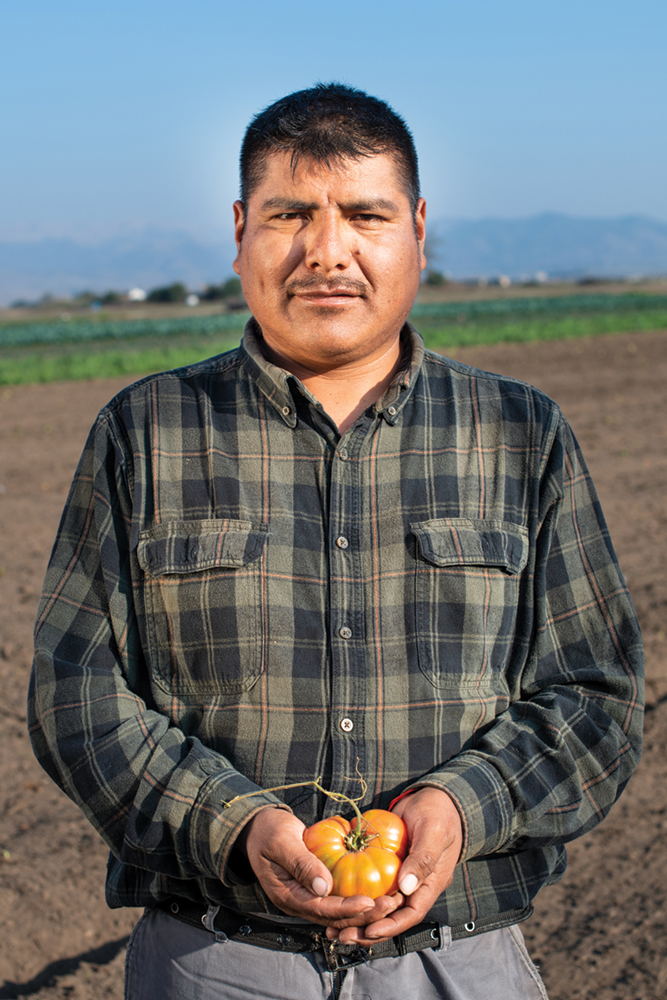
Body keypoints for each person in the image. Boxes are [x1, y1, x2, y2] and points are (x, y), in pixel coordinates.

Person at [29, 84, 643, 1000]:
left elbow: (596, 694)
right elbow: (74, 691)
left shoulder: (520, 434)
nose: (327, 250)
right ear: (240, 231)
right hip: (215, 959)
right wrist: (232, 823)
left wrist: (456, 807)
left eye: (364, 213)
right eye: (288, 214)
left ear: (417, 230)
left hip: (459, 959)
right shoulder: (145, 432)